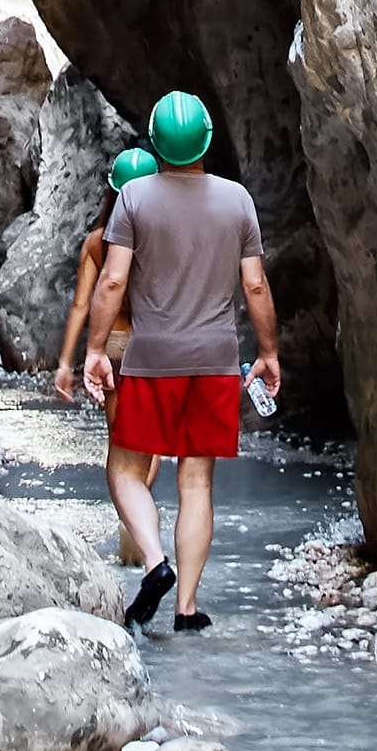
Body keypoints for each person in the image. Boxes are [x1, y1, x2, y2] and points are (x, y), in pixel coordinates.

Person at [84, 91, 280, 633]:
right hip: (215, 361)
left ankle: (154, 564)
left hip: (151, 360)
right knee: (197, 483)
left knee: (125, 469)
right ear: (208, 141)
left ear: (154, 143)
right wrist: (267, 353)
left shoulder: (135, 199)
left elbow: (114, 279)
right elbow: (256, 284)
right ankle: (187, 609)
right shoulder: (237, 200)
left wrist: (96, 351)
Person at [55, 147, 161, 565]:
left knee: (121, 440)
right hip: (153, 344)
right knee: (149, 443)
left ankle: (129, 521)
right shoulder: (162, 236)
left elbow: (82, 305)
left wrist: (67, 362)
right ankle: (138, 525)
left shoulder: (98, 243)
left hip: (114, 345)